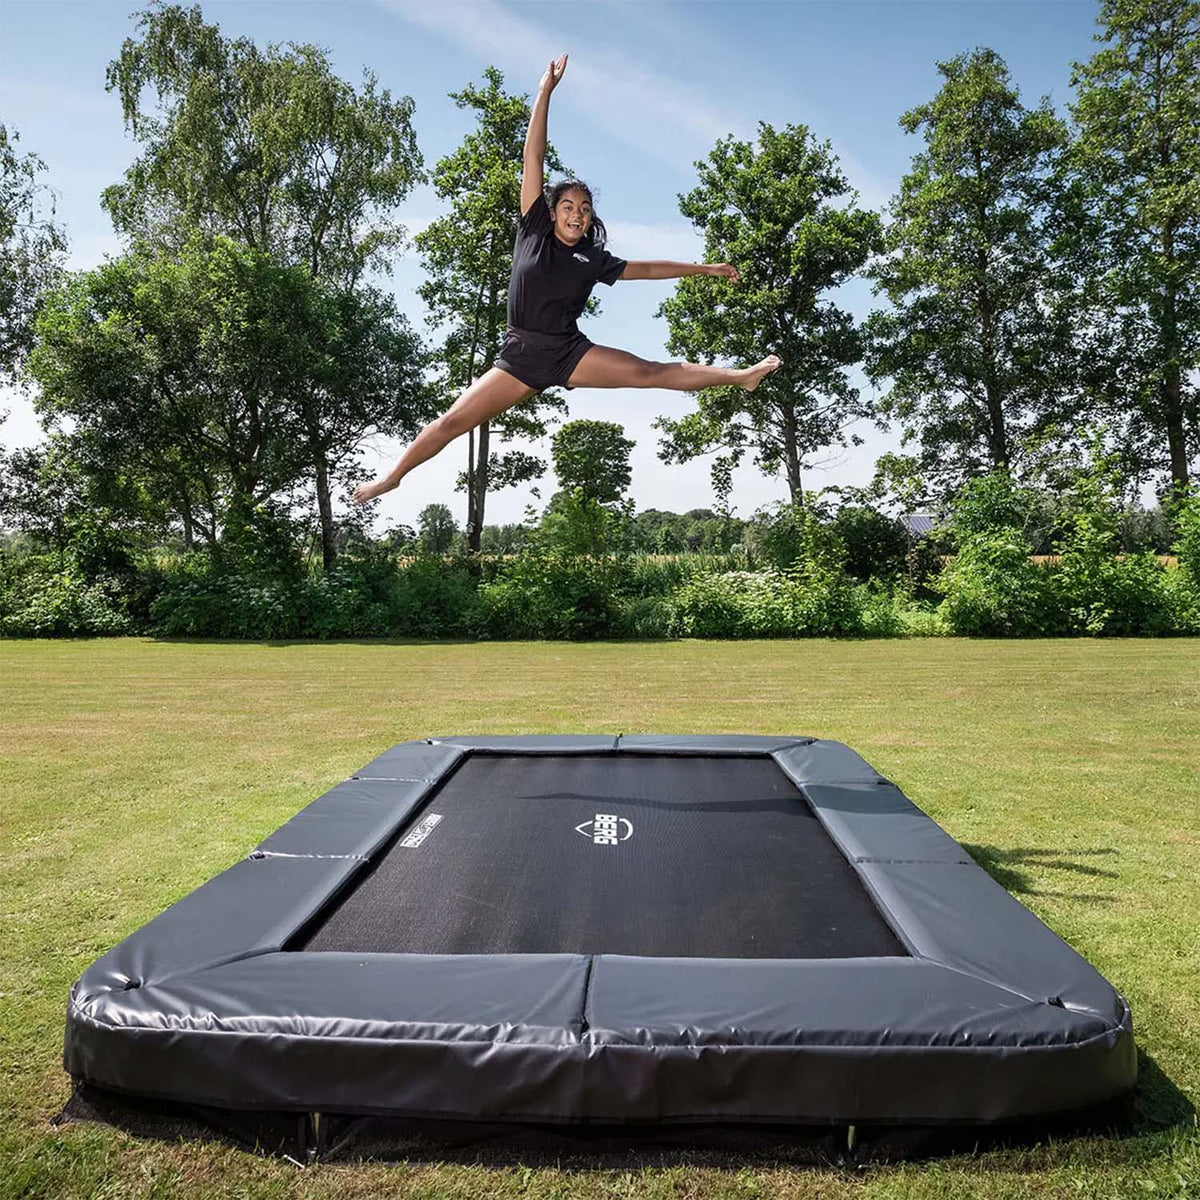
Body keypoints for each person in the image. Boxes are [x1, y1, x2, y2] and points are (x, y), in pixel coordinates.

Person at [353, 54, 781, 505]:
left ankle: (741, 376)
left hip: (568, 352)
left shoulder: (593, 259)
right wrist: (545, 92)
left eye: (584, 209)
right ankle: (393, 477)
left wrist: (706, 269)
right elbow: (532, 155)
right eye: (569, 206)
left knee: (649, 372)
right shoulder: (533, 227)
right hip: (519, 357)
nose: (577, 214)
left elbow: (648, 269)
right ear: (553, 211)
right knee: (452, 423)